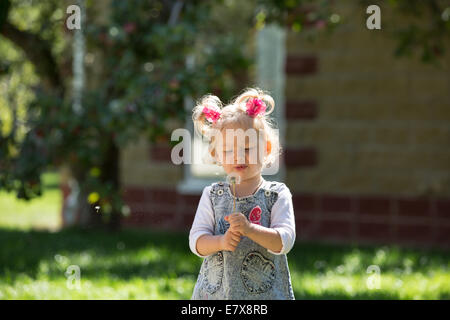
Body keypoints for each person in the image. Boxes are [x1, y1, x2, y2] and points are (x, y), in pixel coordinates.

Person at [189, 87, 296, 299]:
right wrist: (220, 242)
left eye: (247, 149)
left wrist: (250, 229)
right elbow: (196, 241)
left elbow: (284, 241)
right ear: (216, 155)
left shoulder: (276, 195)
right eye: (228, 150)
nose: (238, 156)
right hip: (218, 294)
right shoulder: (212, 195)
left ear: (266, 149)